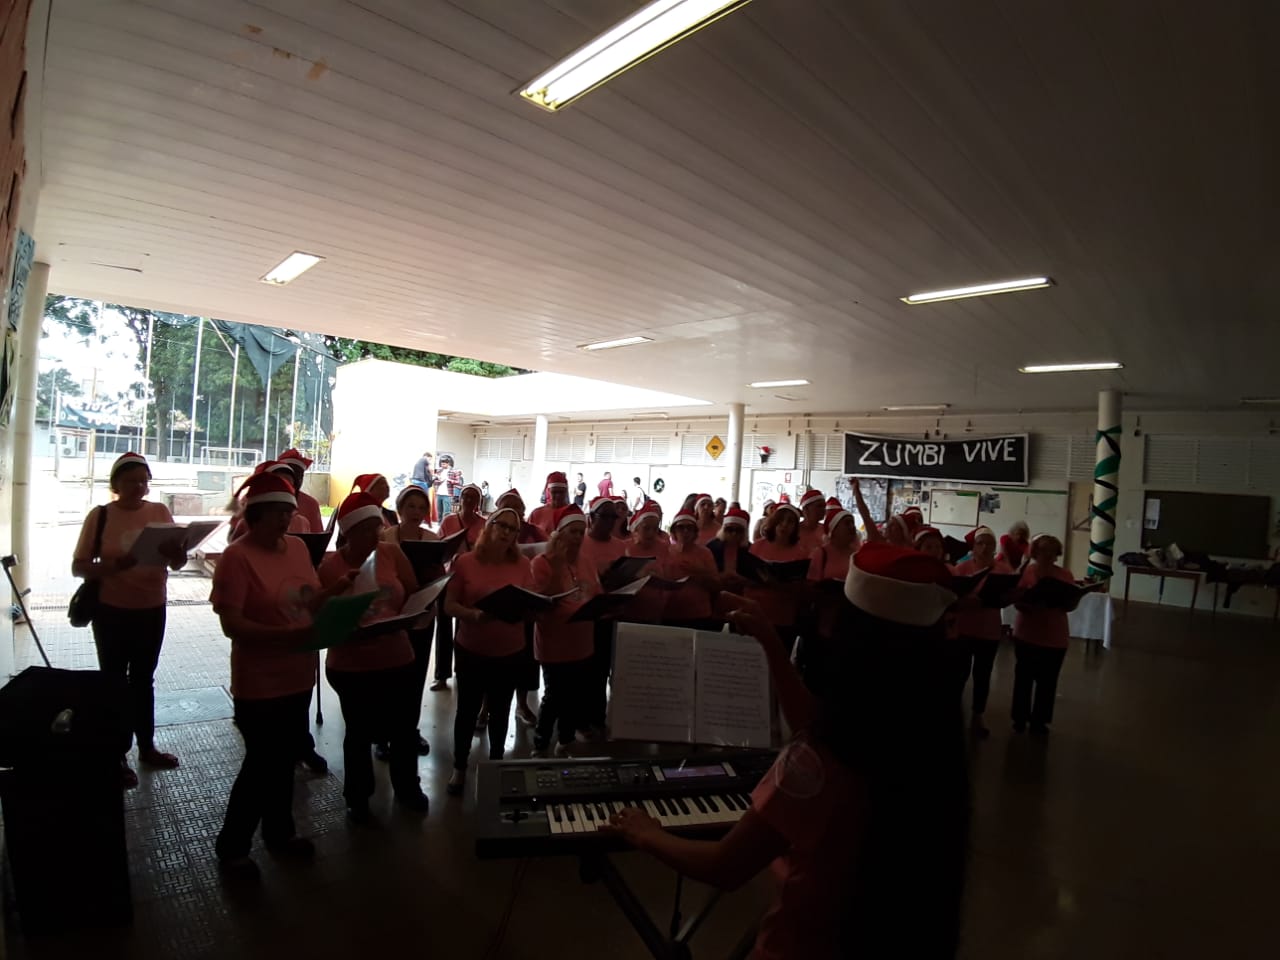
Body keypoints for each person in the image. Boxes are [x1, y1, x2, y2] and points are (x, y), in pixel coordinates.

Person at [605, 543, 968, 958]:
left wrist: (647, 833)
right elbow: (824, 729)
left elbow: (724, 865)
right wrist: (772, 646)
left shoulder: (814, 764)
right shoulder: (928, 739)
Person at [210, 471, 352, 875]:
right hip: (259, 681)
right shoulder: (237, 558)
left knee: (284, 758)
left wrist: (335, 593)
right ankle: (233, 846)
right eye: (277, 513)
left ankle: (280, 833)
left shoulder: (296, 548)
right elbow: (232, 625)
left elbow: (307, 601)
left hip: (298, 675)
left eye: (288, 512)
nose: (286, 520)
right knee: (261, 764)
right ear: (255, 515)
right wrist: (285, 636)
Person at [72, 452, 187, 788]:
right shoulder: (101, 516)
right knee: (113, 682)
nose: (138, 487)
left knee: (143, 680)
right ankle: (116, 753)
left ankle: (147, 747)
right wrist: (114, 567)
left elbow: (178, 563)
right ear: (115, 484)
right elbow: (78, 566)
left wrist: (177, 554)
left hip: (152, 608)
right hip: (112, 610)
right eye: (131, 481)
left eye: (143, 481)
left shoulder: (159, 512)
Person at [318, 493, 431, 821]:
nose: (375, 535)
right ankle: (358, 797)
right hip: (352, 664)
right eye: (366, 529)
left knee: (403, 728)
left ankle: (407, 787)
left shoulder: (391, 553)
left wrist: (414, 613)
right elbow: (322, 615)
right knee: (358, 732)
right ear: (348, 532)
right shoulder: (331, 567)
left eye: (377, 528)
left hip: (397, 656)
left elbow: (412, 592)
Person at [442, 507, 534, 796]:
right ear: (489, 526)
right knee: (467, 711)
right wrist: (475, 616)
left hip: (510, 650)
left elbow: (529, 600)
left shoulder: (522, 564)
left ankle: (496, 764)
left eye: (512, 529)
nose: (506, 532)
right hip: (472, 648)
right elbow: (449, 605)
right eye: (501, 525)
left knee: (501, 710)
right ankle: (459, 766)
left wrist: (527, 611)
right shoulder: (465, 562)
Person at [530, 506, 601, 756]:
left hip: (582, 640)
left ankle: (566, 740)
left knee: (575, 695)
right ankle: (541, 743)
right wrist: (558, 565)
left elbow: (596, 593)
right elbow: (541, 602)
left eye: (582, 532)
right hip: (554, 642)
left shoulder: (586, 561)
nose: (579, 537)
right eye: (573, 532)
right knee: (555, 695)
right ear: (559, 533)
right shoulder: (542, 563)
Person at [379, 485, 439, 757]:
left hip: (423, 613)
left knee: (416, 675)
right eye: (411, 506)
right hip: (393, 614)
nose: (416, 512)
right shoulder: (386, 538)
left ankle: (409, 731)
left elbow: (440, 572)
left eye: (421, 507)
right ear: (400, 509)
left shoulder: (432, 538)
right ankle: (383, 735)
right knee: (390, 678)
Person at [951, 525, 1014, 739]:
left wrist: (1006, 598)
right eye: (980, 543)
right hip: (964, 629)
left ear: (995, 547)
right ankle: (955, 714)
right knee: (959, 674)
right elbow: (952, 599)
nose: (985, 548)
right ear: (974, 547)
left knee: (983, 675)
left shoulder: (1003, 571)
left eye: (989, 544)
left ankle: (978, 715)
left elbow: (1006, 598)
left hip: (989, 630)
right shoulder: (961, 569)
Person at [1011, 534, 1074, 738]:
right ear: (1035, 552)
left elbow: (1071, 604)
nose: (1047, 555)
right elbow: (1015, 599)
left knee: (1048, 681)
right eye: (1043, 550)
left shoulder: (1065, 575)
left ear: (1057, 554)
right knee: (1023, 678)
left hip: (1055, 636)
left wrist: (1065, 602)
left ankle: (1040, 721)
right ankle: (1019, 718)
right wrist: (1029, 602)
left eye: (1052, 551)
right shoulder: (1026, 572)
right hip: (1027, 633)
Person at [493, 488, 546, 726]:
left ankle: (522, 704)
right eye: (508, 507)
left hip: (525, 601)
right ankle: (485, 708)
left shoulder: (534, 531)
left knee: (525, 660)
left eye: (518, 509)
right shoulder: (491, 531)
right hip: (496, 604)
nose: (513, 513)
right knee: (493, 661)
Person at [433, 483, 488, 692]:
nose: (469, 500)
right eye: (466, 495)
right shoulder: (449, 520)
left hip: (471, 579)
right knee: (444, 627)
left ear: (479, 502)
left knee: (465, 626)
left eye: (474, 497)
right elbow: (438, 549)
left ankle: (463, 669)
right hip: (448, 578)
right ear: (460, 498)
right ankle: (441, 675)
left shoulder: (484, 524)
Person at [580, 497, 628, 731]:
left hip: (610, 614)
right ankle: (579, 719)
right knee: (584, 671)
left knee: (602, 670)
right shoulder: (580, 543)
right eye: (605, 517)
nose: (610, 522)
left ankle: (597, 717)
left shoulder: (619, 546)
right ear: (591, 518)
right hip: (585, 616)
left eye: (613, 517)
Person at [747, 503, 811, 655]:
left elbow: (801, 589)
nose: (784, 525)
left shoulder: (801, 553)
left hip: (783, 617)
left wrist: (777, 584)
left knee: (778, 660)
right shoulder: (757, 546)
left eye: (790, 522)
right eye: (781, 520)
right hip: (755, 612)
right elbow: (745, 576)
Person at [663, 508, 720, 627]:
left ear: (695, 532)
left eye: (689, 528)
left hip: (698, 614)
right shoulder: (665, 551)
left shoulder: (705, 553)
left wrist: (700, 572)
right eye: (681, 527)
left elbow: (716, 586)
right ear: (674, 531)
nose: (685, 531)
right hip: (669, 612)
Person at [620, 500, 670, 623]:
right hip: (629, 611)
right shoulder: (624, 547)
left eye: (655, 529)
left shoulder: (664, 547)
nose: (651, 533)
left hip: (656, 610)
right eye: (646, 528)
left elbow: (669, 575)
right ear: (636, 528)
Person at [275, 448, 324, 533]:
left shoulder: (311, 504)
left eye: (300, 476)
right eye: (291, 475)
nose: (296, 480)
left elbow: (317, 537)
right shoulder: (263, 501)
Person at [707, 506, 752, 588]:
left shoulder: (750, 549)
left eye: (738, 530)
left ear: (744, 532)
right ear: (723, 530)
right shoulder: (711, 547)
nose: (734, 533)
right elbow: (705, 574)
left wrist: (741, 579)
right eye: (730, 529)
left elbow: (755, 577)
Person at [529, 471, 570, 536]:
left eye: (561, 492)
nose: (558, 496)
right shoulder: (537, 514)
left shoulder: (573, 513)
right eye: (554, 492)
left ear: (566, 492)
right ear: (548, 492)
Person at [797, 489, 827, 553]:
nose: (823, 510)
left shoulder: (826, 529)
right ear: (806, 509)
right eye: (819, 506)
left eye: (824, 506)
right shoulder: (795, 530)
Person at [435, 455, 462, 520]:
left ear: (448, 463)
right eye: (441, 464)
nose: (442, 465)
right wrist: (439, 481)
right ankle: (439, 525)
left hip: (447, 495)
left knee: (446, 513)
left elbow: (458, 482)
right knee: (439, 512)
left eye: (444, 464)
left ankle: (445, 525)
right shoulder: (439, 471)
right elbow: (435, 482)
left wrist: (449, 480)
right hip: (439, 494)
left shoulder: (453, 472)